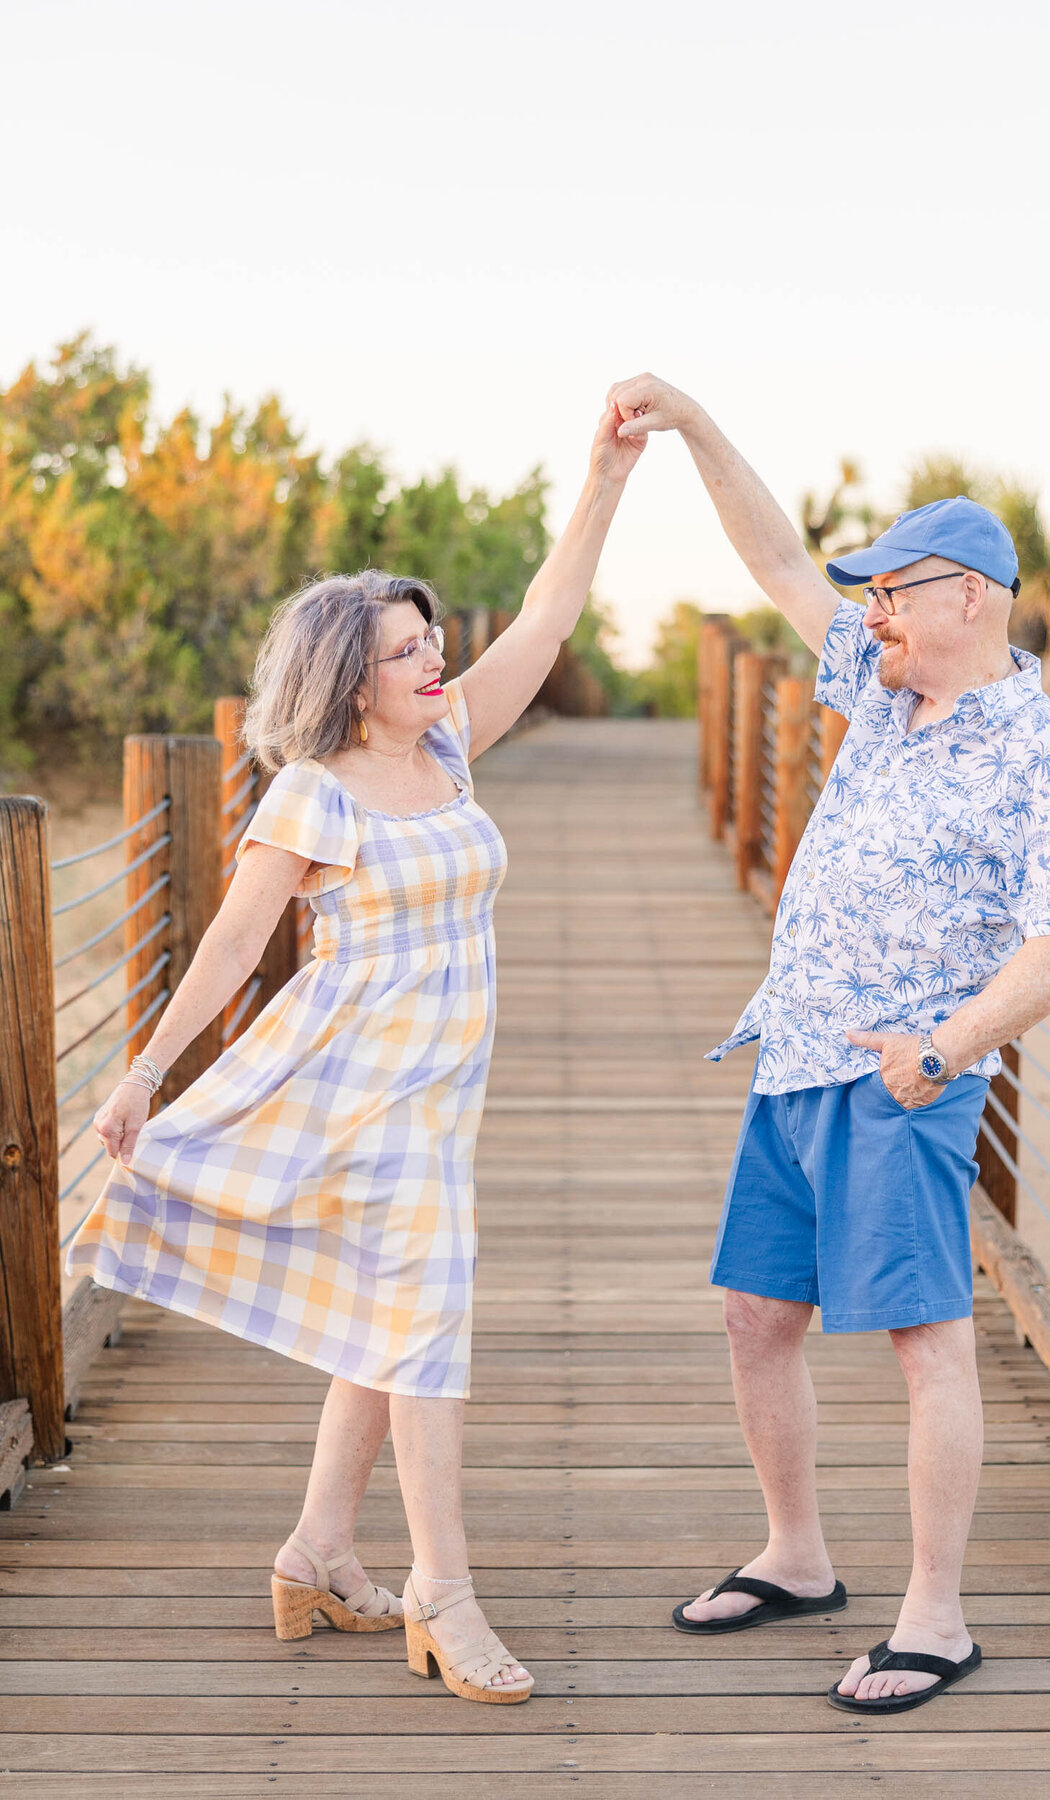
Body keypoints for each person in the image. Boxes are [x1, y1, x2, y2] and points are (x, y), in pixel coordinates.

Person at [69, 401, 645, 1705]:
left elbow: (548, 621)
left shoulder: (446, 747)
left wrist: (602, 481)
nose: (432, 659)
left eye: (431, 638)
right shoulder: (313, 790)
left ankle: (319, 1551)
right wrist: (145, 1078)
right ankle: (442, 1592)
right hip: (355, 1086)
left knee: (389, 1323)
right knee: (426, 1321)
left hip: (440, 1095)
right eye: (403, 649)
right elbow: (226, 948)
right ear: (349, 677)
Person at [609, 374, 1050, 1715]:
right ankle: (797, 1555)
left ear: (971, 598)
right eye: (872, 594)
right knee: (754, 1317)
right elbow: (776, 556)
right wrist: (695, 429)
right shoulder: (884, 693)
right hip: (793, 1058)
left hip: (905, 1083)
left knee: (923, 1343)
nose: (872, 611)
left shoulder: (1039, 751)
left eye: (895, 590)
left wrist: (944, 1052)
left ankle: (935, 1617)